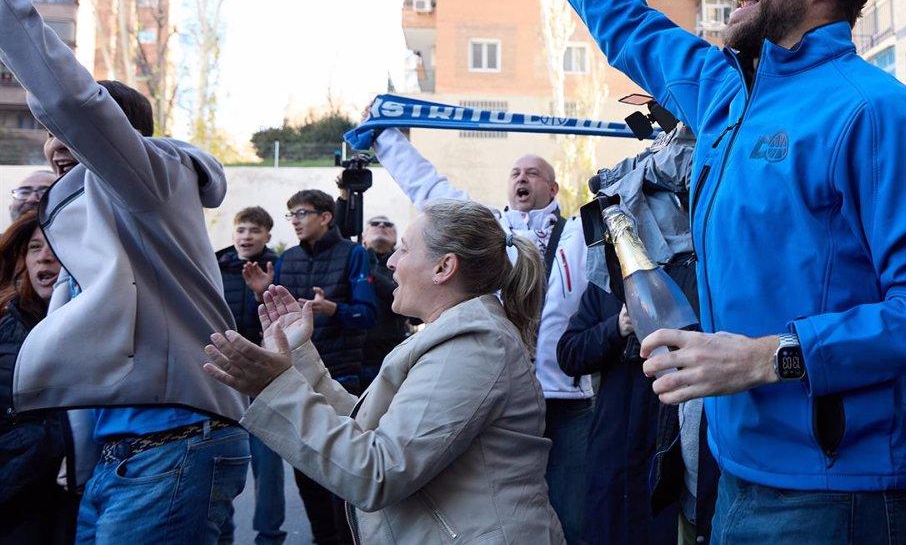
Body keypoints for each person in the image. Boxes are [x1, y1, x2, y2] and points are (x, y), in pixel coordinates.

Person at [513, 0, 906, 543]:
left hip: (838, 492)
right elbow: (631, 28)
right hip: (731, 471)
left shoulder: (885, 117)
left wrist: (767, 356)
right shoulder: (726, 93)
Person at [0, 0, 249, 545]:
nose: (56, 142)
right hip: (121, 460)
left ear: (114, 138)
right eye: (48, 133)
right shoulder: (96, 226)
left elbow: (71, 100)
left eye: (69, 131)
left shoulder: (153, 181)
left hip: (174, 444)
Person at [203, 199, 565, 545]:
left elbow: (379, 470)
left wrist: (276, 388)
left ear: (444, 267)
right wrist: (298, 355)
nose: (391, 262)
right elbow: (368, 426)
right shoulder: (459, 337)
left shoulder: (475, 346)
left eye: (404, 249)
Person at [371, 125, 592, 542]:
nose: (521, 178)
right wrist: (384, 136)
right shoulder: (488, 230)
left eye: (533, 172)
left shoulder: (581, 234)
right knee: (491, 504)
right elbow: (428, 189)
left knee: (573, 516)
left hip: (567, 402)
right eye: (515, 172)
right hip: (490, 395)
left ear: (554, 187)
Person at [271, 189, 376, 545]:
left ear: (326, 216)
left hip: (343, 381)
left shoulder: (354, 254)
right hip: (299, 380)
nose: (296, 221)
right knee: (309, 482)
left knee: (345, 485)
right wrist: (261, 294)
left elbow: (368, 315)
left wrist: (332, 309)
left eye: (301, 213)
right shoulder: (287, 259)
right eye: (291, 215)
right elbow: (279, 321)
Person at [557, 290, 677, 545]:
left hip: (664, 444)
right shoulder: (604, 287)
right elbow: (569, 354)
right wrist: (616, 326)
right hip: (612, 443)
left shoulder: (683, 272)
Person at [0, 212, 74, 544]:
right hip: (17, 502)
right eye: (34, 247)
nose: (44, 256)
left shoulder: (100, 327)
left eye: (56, 246)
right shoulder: (7, 327)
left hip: (77, 497)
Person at [216, 207, 287, 545]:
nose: (246, 236)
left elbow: (284, 326)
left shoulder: (279, 269)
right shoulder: (212, 267)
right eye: (241, 229)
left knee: (268, 466)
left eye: (254, 231)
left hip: (263, 381)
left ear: (267, 236)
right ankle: (221, 532)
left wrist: (264, 293)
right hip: (223, 380)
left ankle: (269, 536)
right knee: (222, 461)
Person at [360, 214, 412, 386]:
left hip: (391, 356)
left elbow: (413, 313)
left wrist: (371, 275)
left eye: (388, 224)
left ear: (396, 239)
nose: (382, 225)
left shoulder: (406, 267)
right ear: (363, 237)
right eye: (374, 223)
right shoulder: (351, 262)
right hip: (351, 358)